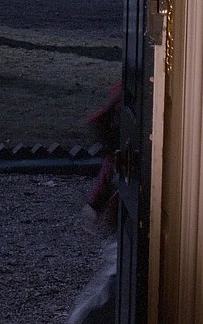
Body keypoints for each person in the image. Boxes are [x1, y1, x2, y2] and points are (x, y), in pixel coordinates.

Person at [67, 82, 121, 324]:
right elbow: (114, 163)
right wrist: (96, 204)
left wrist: (96, 204)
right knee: (112, 289)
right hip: (126, 223)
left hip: (122, 220)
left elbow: (112, 164)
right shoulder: (134, 97)